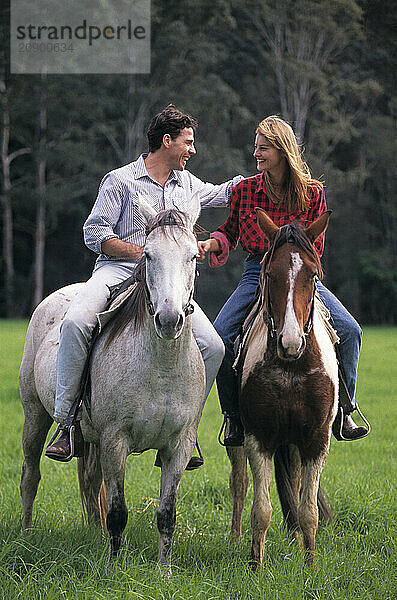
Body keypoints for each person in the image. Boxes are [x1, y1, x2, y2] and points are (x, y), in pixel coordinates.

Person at [45, 104, 243, 464]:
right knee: (75, 322)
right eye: (188, 142)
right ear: (167, 141)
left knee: (214, 346)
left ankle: (188, 431)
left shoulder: (188, 185)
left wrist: (265, 178)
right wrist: (143, 252)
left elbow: (226, 193)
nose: (193, 150)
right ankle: (66, 422)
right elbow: (94, 232)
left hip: (165, 281)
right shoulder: (120, 180)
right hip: (118, 270)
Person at [198, 115, 367, 446]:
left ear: (281, 150)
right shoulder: (246, 190)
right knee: (220, 337)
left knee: (350, 330)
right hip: (256, 273)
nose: (256, 154)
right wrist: (210, 243)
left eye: (263, 148)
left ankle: (345, 411)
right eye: (256, 147)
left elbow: (314, 248)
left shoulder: (312, 193)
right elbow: (229, 232)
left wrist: (294, 265)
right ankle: (233, 417)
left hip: (300, 276)